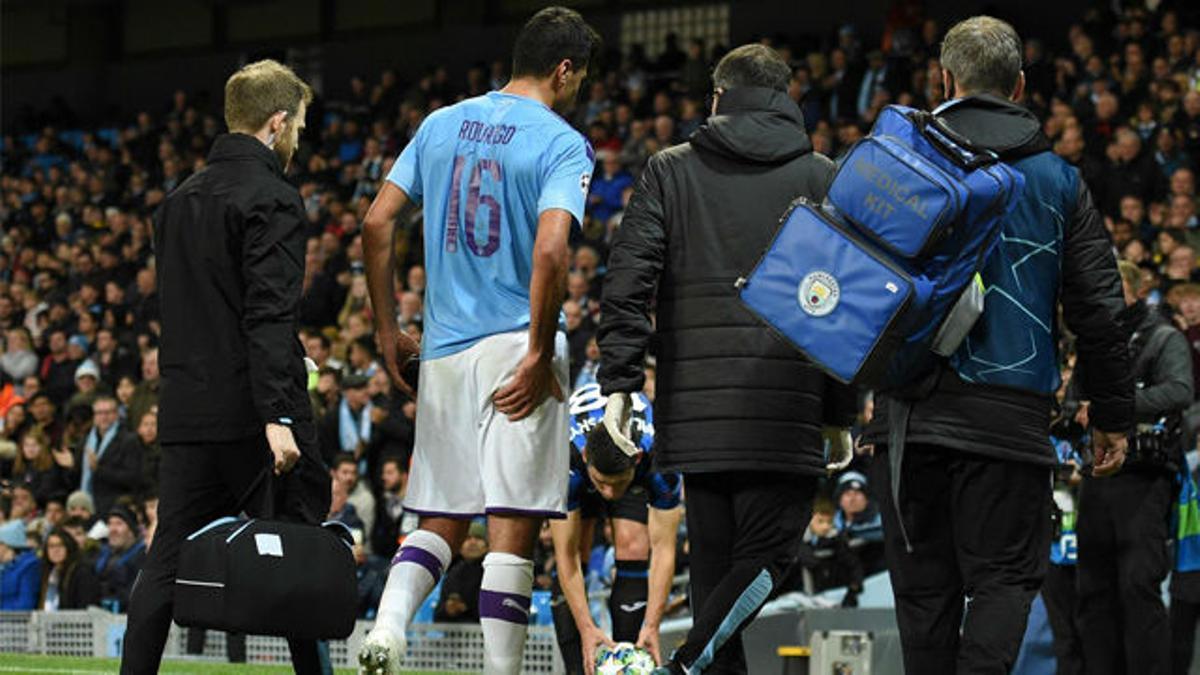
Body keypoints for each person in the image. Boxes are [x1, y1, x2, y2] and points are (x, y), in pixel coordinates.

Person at [862, 17, 1134, 673]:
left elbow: (850, 289)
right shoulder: (1060, 181)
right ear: (1017, 87)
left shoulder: (895, 160)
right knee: (1006, 580)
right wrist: (1115, 415)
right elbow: (1100, 309)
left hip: (908, 422)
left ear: (944, 81)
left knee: (924, 594)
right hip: (1009, 424)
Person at [595, 44, 854, 673]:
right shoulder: (822, 175)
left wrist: (621, 384)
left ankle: (693, 665)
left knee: (718, 580)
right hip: (787, 403)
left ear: (718, 98)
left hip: (696, 410)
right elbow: (845, 304)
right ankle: (685, 667)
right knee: (764, 562)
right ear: (785, 98)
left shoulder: (668, 170)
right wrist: (841, 410)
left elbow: (627, 282)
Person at [360, 8, 600, 674]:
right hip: (512, 346)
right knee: (512, 529)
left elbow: (377, 224)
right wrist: (537, 348)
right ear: (564, 69)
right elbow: (552, 247)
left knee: (439, 518)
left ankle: (384, 626)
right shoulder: (560, 141)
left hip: (441, 350)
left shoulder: (439, 123)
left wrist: (387, 329)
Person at [121, 59, 331, 675]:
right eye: (296, 127)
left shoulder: (177, 201)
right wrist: (280, 415)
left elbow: (203, 311)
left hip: (187, 410)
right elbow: (266, 318)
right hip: (253, 414)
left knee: (163, 561)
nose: (296, 139)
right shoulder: (274, 198)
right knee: (298, 550)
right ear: (276, 123)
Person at [1073, 261, 1194, 675]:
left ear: (1137, 291)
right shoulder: (1093, 344)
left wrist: (1115, 406)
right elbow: (1075, 402)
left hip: (1145, 475)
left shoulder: (1164, 338)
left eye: (1112, 286)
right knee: (1092, 589)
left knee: (1137, 585)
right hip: (1097, 474)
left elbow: (1180, 390)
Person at [551, 384, 682, 673]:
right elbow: (566, 556)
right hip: (579, 472)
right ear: (586, 457)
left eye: (617, 483)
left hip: (630, 469)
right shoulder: (566, 460)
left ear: (636, 461)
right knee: (579, 549)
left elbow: (663, 550)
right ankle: (579, 666)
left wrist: (652, 624)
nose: (608, 494)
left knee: (633, 543)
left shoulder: (661, 459)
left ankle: (630, 659)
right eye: (602, 484)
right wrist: (586, 627)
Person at [82, 395, 141, 516]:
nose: (103, 417)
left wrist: (99, 469)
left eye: (108, 412)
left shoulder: (129, 440)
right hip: (87, 505)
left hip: (115, 506)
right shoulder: (86, 440)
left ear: (116, 414)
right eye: (99, 413)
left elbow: (132, 478)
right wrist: (70, 466)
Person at [435, 521, 489, 623]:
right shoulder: (452, 574)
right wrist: (447, 609)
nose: (473, 542)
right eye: (468, 538)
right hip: (455, 636)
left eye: (478, 538)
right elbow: (437, 617)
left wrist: (465, 608)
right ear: (459, 546)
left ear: (487, 546)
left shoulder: (493, 573)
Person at [94, 505, 145, 612]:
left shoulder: (142, 558)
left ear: (132, 531)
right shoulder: (101, 557)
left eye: (119, 524)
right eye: (110, 524)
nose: (113, 529)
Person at [39, 527, 100, 611]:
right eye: (51, 546)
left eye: (60, 545)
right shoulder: (48, 572)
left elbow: (84, 607)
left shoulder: (82, 571)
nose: (55, 550)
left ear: (68, 547)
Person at [0, 519, 40, 610]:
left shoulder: (30, 566)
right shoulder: (4, 566)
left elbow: (25, 605)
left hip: (17, 622)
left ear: (6, 545)